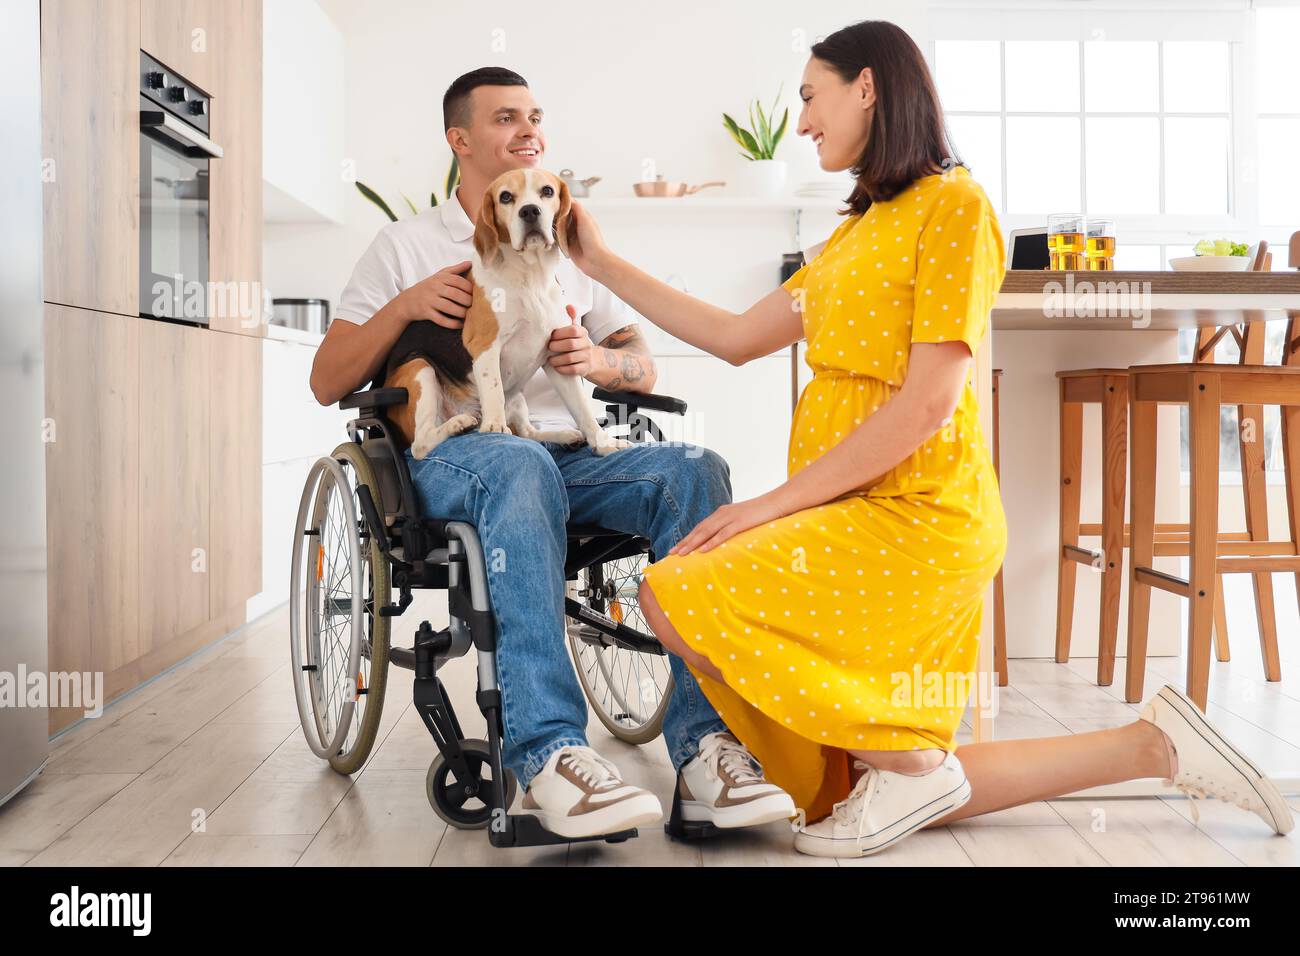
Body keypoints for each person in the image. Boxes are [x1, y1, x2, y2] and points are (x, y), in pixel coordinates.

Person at [562, 19, 1296, 857]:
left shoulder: (955, 205)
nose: (802, 123)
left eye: (811, 97)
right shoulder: (856, 231)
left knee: (675, 589)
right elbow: (732, 336)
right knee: (854, 783)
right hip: (857, 507)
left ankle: (914, 766)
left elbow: (926, 407)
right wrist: (603, 263)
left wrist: (769, 506)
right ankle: (1150, 747)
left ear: (867, 86)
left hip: (918, 515)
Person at [309, 67, 796, 840]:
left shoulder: (564, 234)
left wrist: (601, 364)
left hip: (564, 450)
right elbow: (328, 379)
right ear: (460, 140)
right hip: (463, 459)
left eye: (536, 116)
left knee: (694, 472)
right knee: (523, 465)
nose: (530, 131)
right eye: (508, 118)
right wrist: (405, 307)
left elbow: (642, 361)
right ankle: (550, 758)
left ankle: (706, 752)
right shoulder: (405, 246)